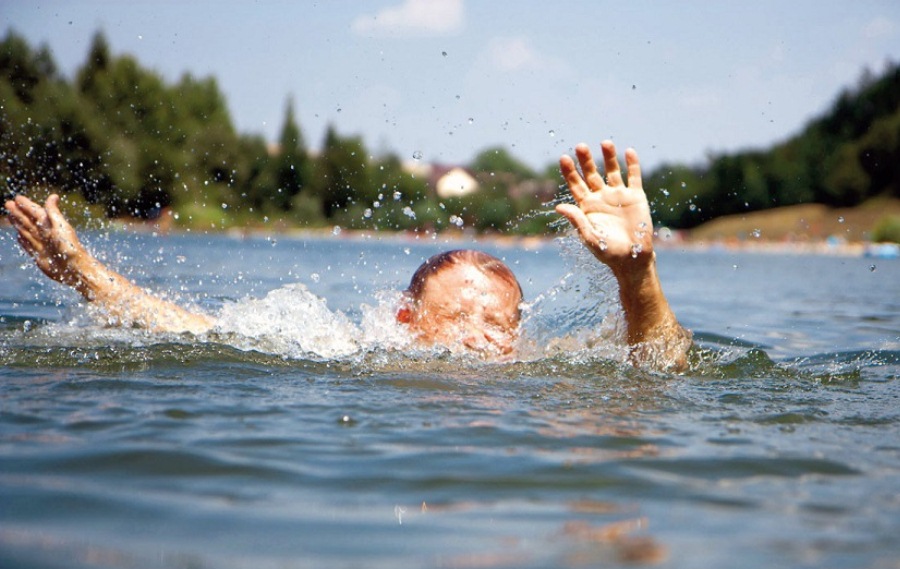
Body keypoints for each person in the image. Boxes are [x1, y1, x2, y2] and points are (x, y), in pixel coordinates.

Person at [4, 140, 691, 368]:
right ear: (404, 321)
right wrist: (83, 273)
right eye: (460, 319)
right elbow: (193, 332)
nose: (483, 340)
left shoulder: (540, 368)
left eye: (499, 326)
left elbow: (663, 362)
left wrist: (637, 273)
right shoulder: (347, 350)